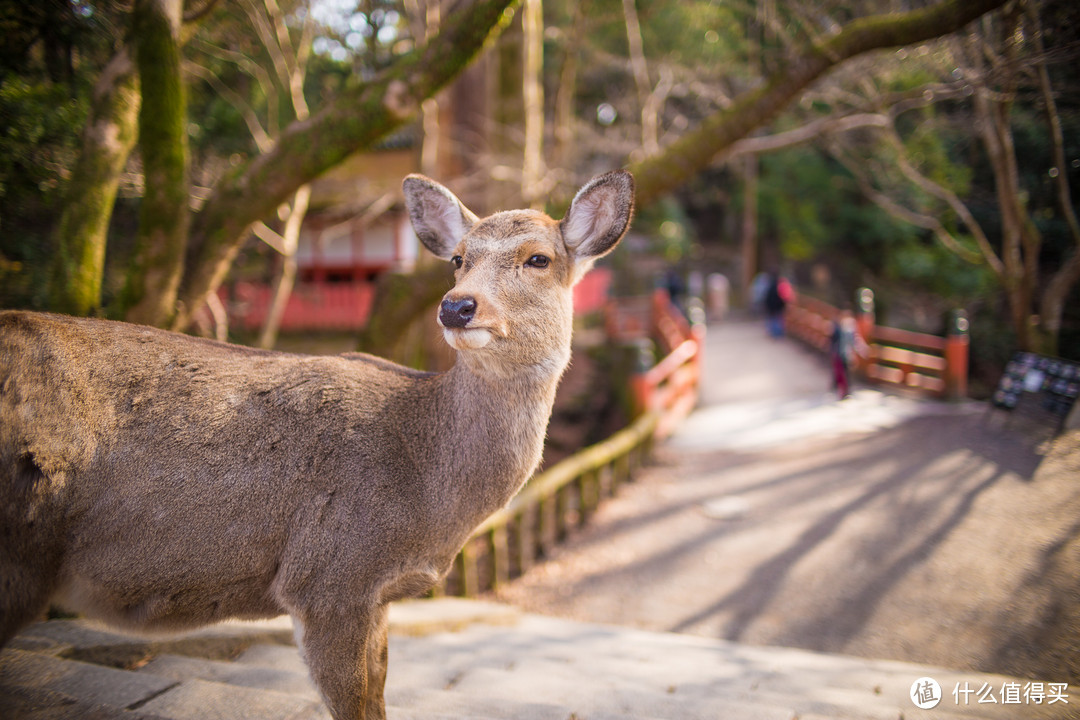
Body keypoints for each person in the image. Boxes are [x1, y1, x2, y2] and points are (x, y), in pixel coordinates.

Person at [830, 305, 867, 399]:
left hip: (845, 354)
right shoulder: (837, 326)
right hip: (839, 353)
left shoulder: (849, 329)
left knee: (845, 373)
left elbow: (855, 341)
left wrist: (862, 350)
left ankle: (844, 391)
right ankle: (840, 389)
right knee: (840, 372)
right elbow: (832, 339)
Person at [763, 272, 791, 337]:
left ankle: (775, 333)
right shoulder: (780, 285)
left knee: (774, 319)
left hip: (773, 306)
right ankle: (778, 333)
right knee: (779, 318)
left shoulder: (770, 285)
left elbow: (768, 297)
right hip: (779, 305)